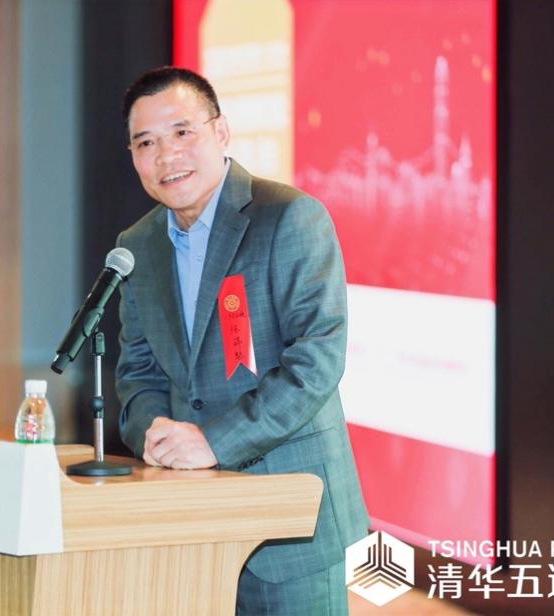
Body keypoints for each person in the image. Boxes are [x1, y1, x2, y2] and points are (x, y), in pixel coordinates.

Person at [114, 66, 368, 615]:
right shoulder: (137, 244)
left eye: (182, 132)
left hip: (289, 521)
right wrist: (154, 433)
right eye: (146, 143)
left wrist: (214, 441)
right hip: (188, 523)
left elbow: (316, 360)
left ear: (221, 132)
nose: (166, 155)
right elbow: (138, 374)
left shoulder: (289, 216)